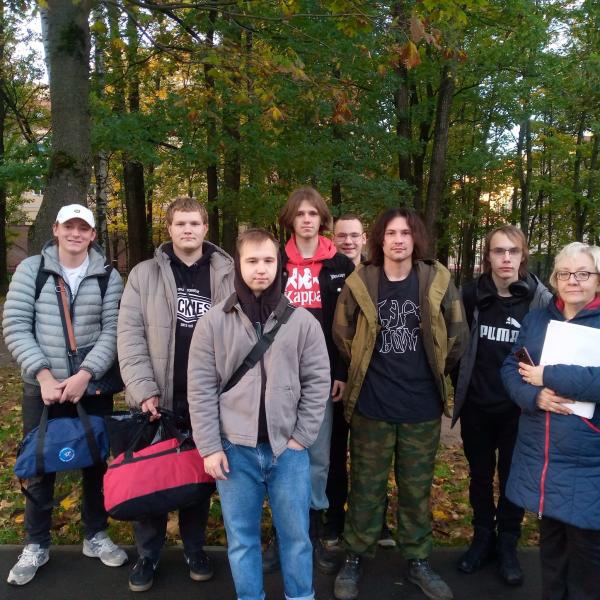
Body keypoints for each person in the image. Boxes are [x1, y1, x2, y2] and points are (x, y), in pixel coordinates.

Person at [332, 207, 468, 600]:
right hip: (372, 405)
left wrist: (434, 369)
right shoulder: (361, 281)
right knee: (365, 488)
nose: (398, 240)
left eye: (405, 233)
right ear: (380, 239)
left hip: (421, 407)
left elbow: (457, 334)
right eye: (391, 233)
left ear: (415, 239)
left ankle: (417, 559)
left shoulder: (436, 280)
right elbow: (342, 332)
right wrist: (365, 368)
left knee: (416, 490)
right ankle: (355, 554)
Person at [188, 228, 331, 600]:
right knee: (242, 539)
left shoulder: (302, 322)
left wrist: (301, 437)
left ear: (279, 265)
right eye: (252, 261)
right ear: (238, 264)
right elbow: (200, 388)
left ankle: (301, 596)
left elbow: (318, 382)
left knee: (296, 537)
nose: (261, 269)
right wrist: (209, 447)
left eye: (268, 260)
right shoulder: (213, 322)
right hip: (234, 451)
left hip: (288, 451)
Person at [3, 204, 127, 586]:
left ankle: (96, 534)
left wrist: (85, 375)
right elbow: (16, 324)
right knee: (40, 465)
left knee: (95, 462)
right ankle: (36, 543)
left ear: (92, 235)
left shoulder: (108, 275)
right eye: (68, 226)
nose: (75, 233)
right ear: (56, 229)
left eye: (83, 228)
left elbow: (113, 331)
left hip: (91, 386)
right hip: (42, 388)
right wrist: (43, 376)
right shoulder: (32, 270)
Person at [117, 196, 234, 592]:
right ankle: (148, 555)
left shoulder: (225, 274)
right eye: (180, 223)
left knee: (197, 480)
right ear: (168, 228)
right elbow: (129, 335)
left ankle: (194, 549)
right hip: (158, 400)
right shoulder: (144, 274)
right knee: (151, 478)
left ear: (205, 228)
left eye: (194, 223)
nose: (188, 229)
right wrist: (143, 390)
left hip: (206, 400)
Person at [452, 225, 551, 583]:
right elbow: (454, 344)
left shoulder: (540, 300)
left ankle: (508, 542)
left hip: (519, 410)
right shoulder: (469, 295)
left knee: (512, 477)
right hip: (478, 406)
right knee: (480, 476)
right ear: (488, 256)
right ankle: (482, 537)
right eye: (498, 251)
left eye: (513, 251)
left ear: (523, 256)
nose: (506, 258)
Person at [501, 241, 600, 600]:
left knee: (587, 560)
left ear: (597, 280)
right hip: (543, 457)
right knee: (552, 553)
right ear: (555, 279)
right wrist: (534, 396)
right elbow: (511, 366)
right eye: (565, 273)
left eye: (583, 273)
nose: (573, 280)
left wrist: (549, 375)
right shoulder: (539, 319)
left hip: (587, 460)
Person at [263, 186, 354, 573]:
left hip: (323, 376)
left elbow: (351, 327)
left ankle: (312, 531)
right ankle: (281, 531)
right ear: (290, 219)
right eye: (299, 213)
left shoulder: (341, 265)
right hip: (279, 375)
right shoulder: (274, 261)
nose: (306, 220)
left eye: (313, 213)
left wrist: (341, 372)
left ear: (322, 219)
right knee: (278, 453)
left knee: (318, 456)